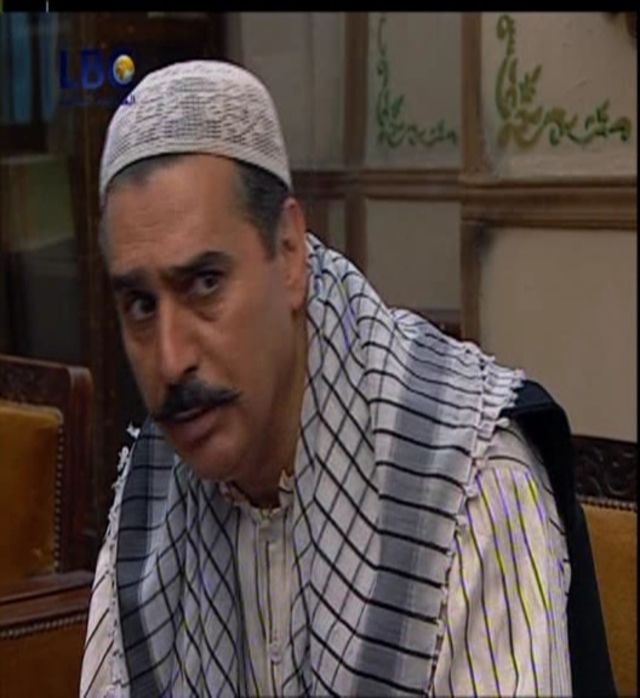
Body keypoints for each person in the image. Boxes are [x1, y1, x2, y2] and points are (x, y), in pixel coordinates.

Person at [80, 60, 613, 697]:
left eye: (205, 283)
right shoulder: (153, 488)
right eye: (141, 305)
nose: (171, 361)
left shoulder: (466, 483)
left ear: (288, 254)